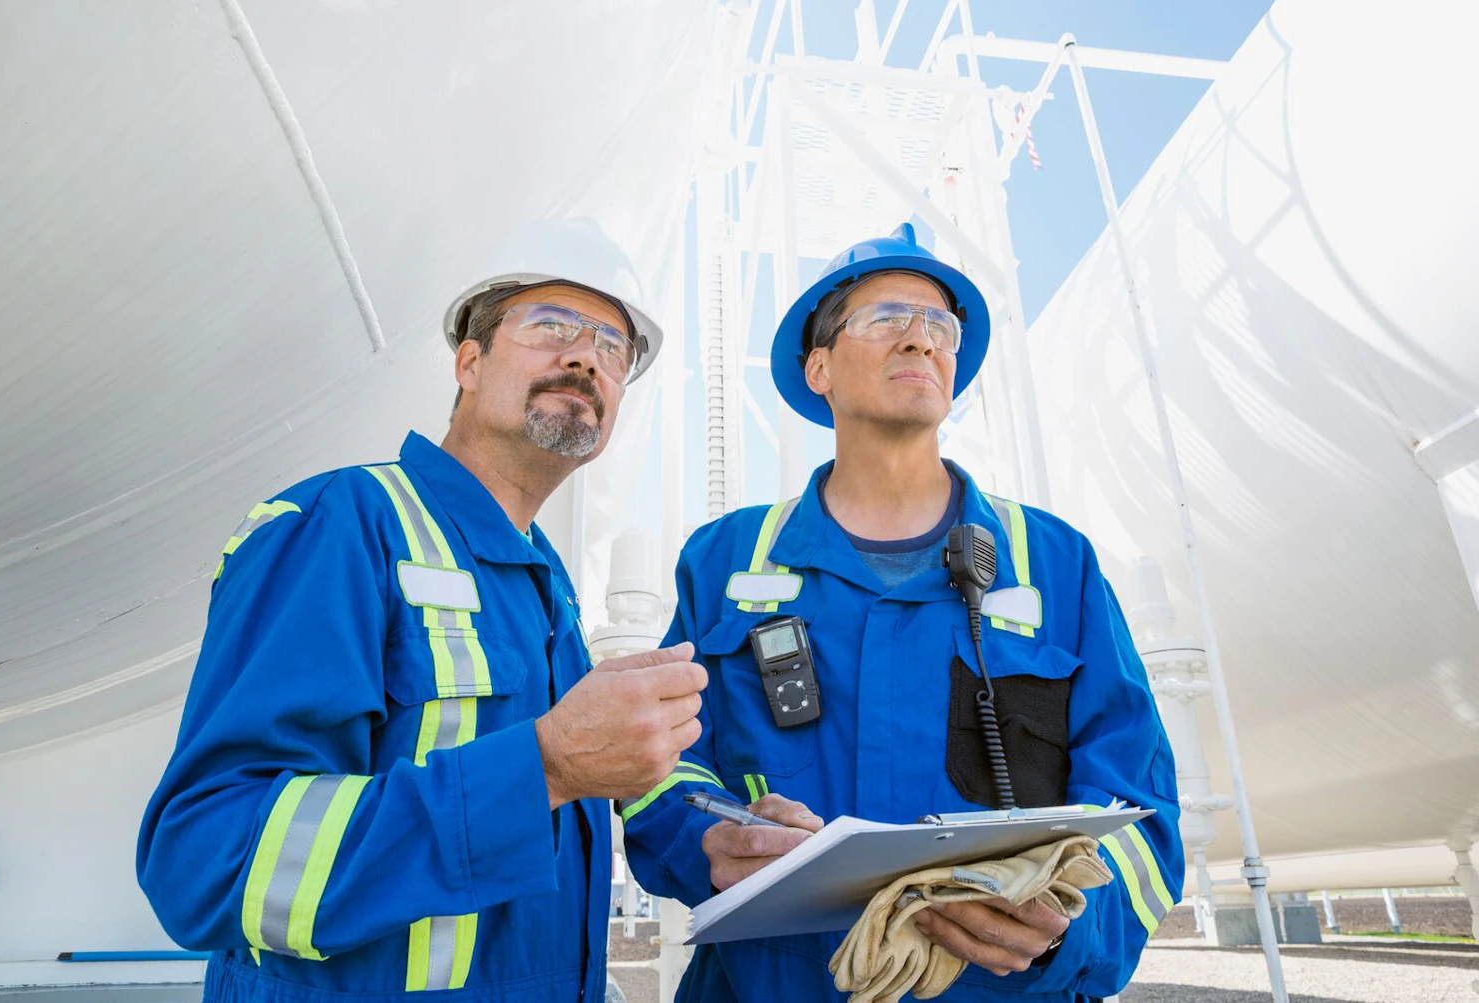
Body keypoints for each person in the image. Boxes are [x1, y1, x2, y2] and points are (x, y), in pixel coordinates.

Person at [137, 218, 708, 1001]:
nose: (585, 357)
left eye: (613, 348)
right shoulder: (342, 526)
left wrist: (722, 836)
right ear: (468, 361)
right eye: (550, 327)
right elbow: (206, 860)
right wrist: (543, 766)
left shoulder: (548, 593)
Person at [623, 223, 1184, 1000]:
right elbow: (658, 765)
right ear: (817, 367)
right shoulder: (726, 561)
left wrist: (1071, 930)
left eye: (940, 326)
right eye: (887, 316)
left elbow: (1138, 802)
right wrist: (707, 840)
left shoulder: (1056, 563)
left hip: (998, 987)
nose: (921, 339)